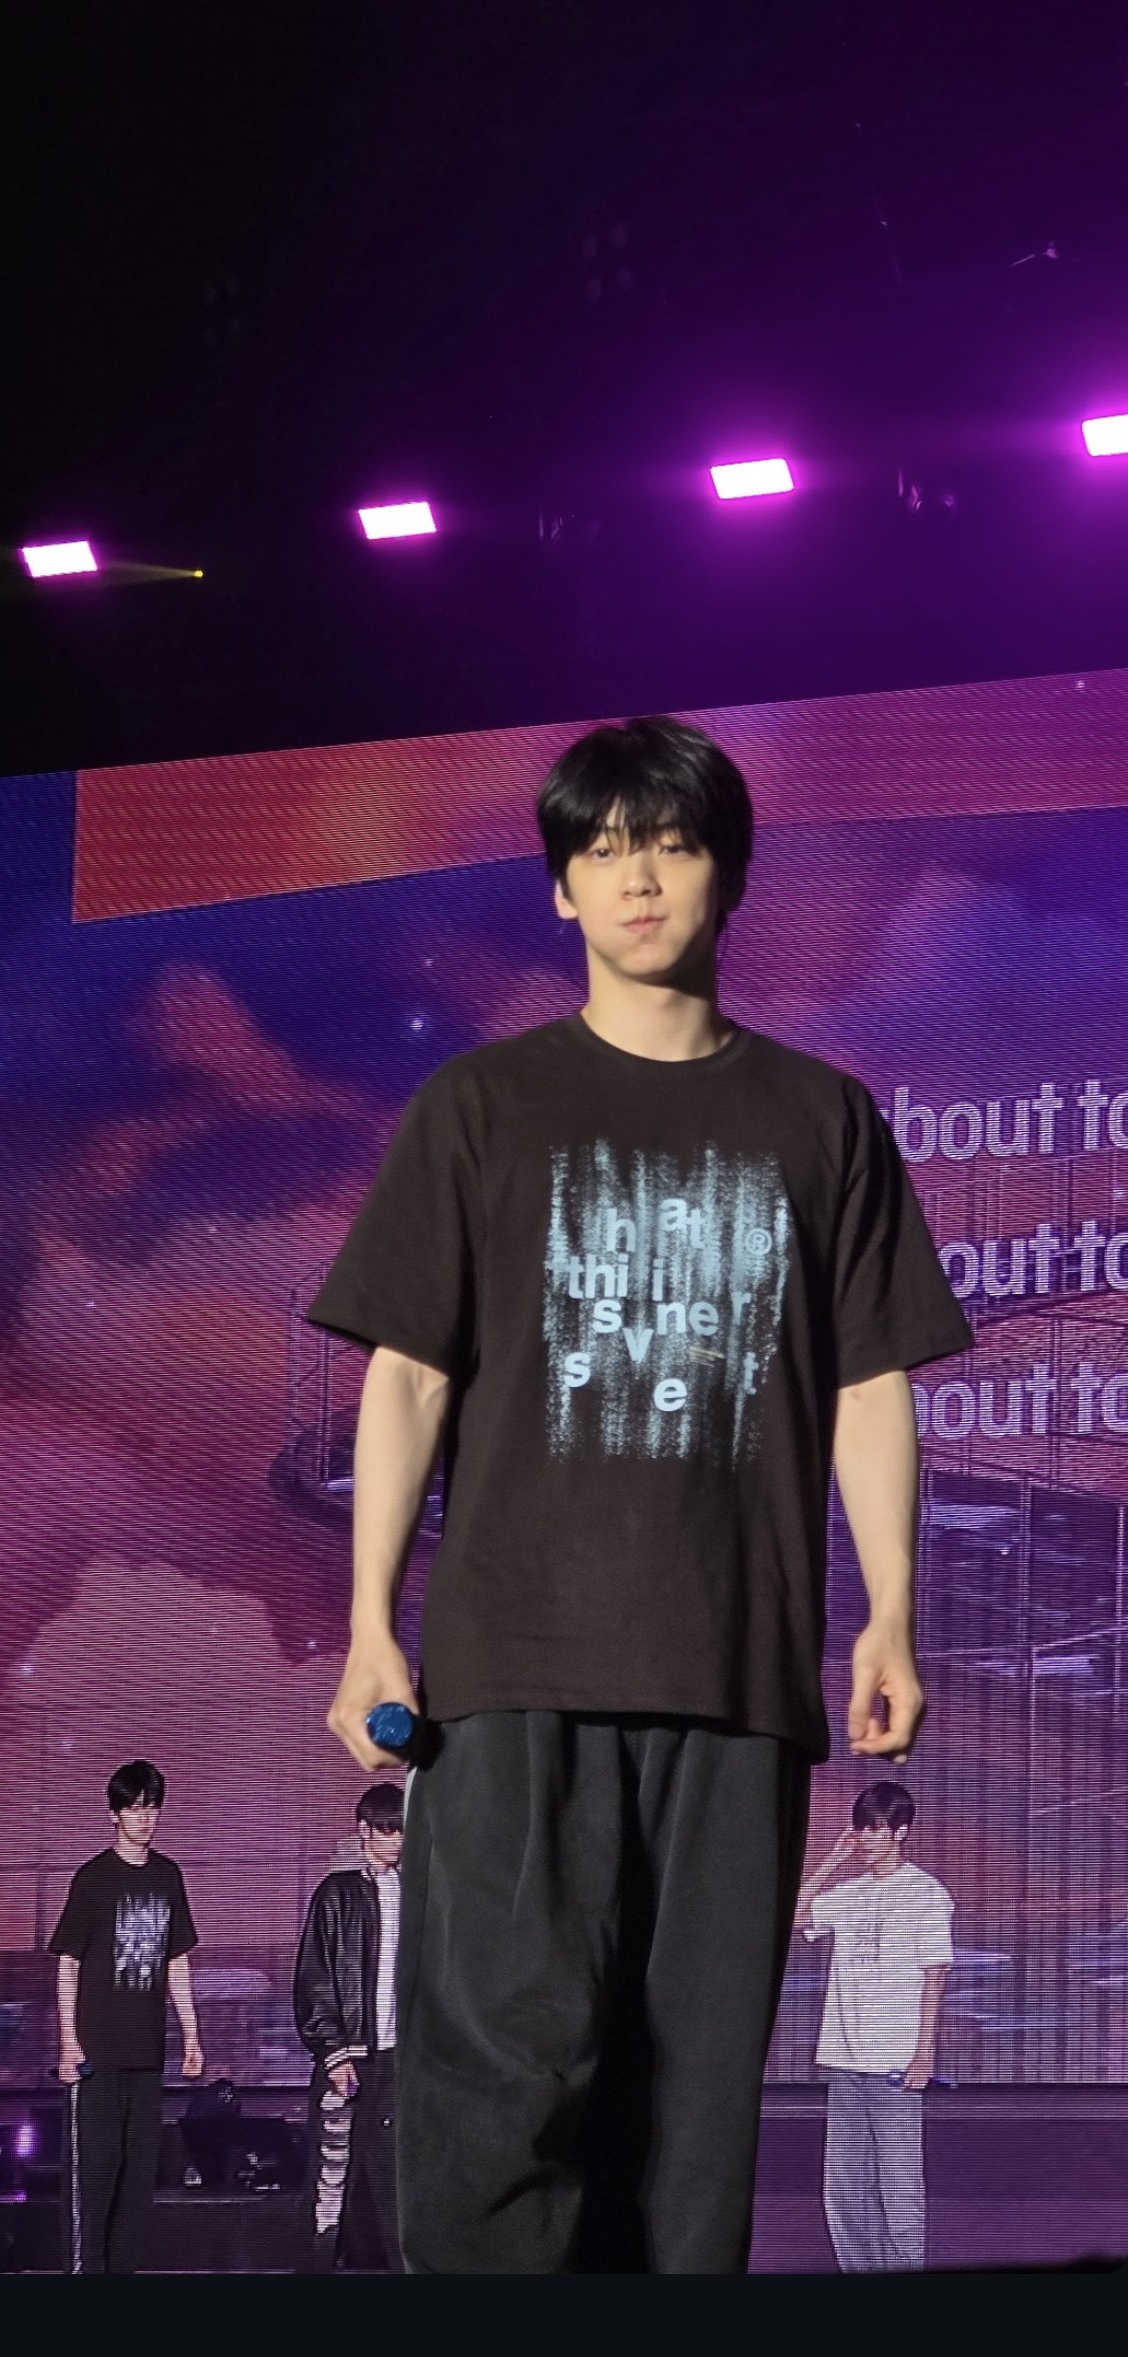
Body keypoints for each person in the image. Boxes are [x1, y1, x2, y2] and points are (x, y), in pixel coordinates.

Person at [307, 714, 973, 2274]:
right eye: (602, 850)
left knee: (689, 2119)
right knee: (498, 2082)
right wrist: (368, 1624)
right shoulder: (479, 1107)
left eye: (670, 844)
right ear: (559, 887)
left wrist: (889, 1608)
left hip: (732, 1682)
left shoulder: (818, 1119)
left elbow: (868, 1383)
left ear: (725, 873)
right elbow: (406, 1378)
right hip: (509, 1675)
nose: (637, 878)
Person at [48, 1759, 203, 2274]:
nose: (145, 1818)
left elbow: (176, 1960)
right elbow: (68, 1962)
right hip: (97, 2054)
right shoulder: (93, 1878)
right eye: (134, 1809)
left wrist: (191, 2036)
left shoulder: (168, 1875)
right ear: (114, 1814)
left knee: (137, 2180)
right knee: (94, 2177)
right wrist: (69, 2042)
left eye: (152, 1808)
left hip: (147, 2053)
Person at [795, 1781, 954, 2272]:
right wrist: (831, 1861)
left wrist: (924, 2051)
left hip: (894, 2061)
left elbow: (935, 1973)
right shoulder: (850, 1892)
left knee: (899, 2184)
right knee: (844, 2188)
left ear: (901, 1832)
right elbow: (796, 1916)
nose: (865, 1839)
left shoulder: (925, 1893)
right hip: (844, 2058)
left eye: (876, 1831)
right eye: (861, 1830)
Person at [292, 1781, 404, 2272]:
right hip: (349, 2058)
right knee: (330, 2181)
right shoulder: (336, 1894)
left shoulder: (413, 1892)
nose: (396, 1840)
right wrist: (332, 2052)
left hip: (398, 2058)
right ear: (364, 1830)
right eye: (387, 1830)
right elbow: (314, 1976)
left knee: (399, 2181)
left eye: (402, 1830)